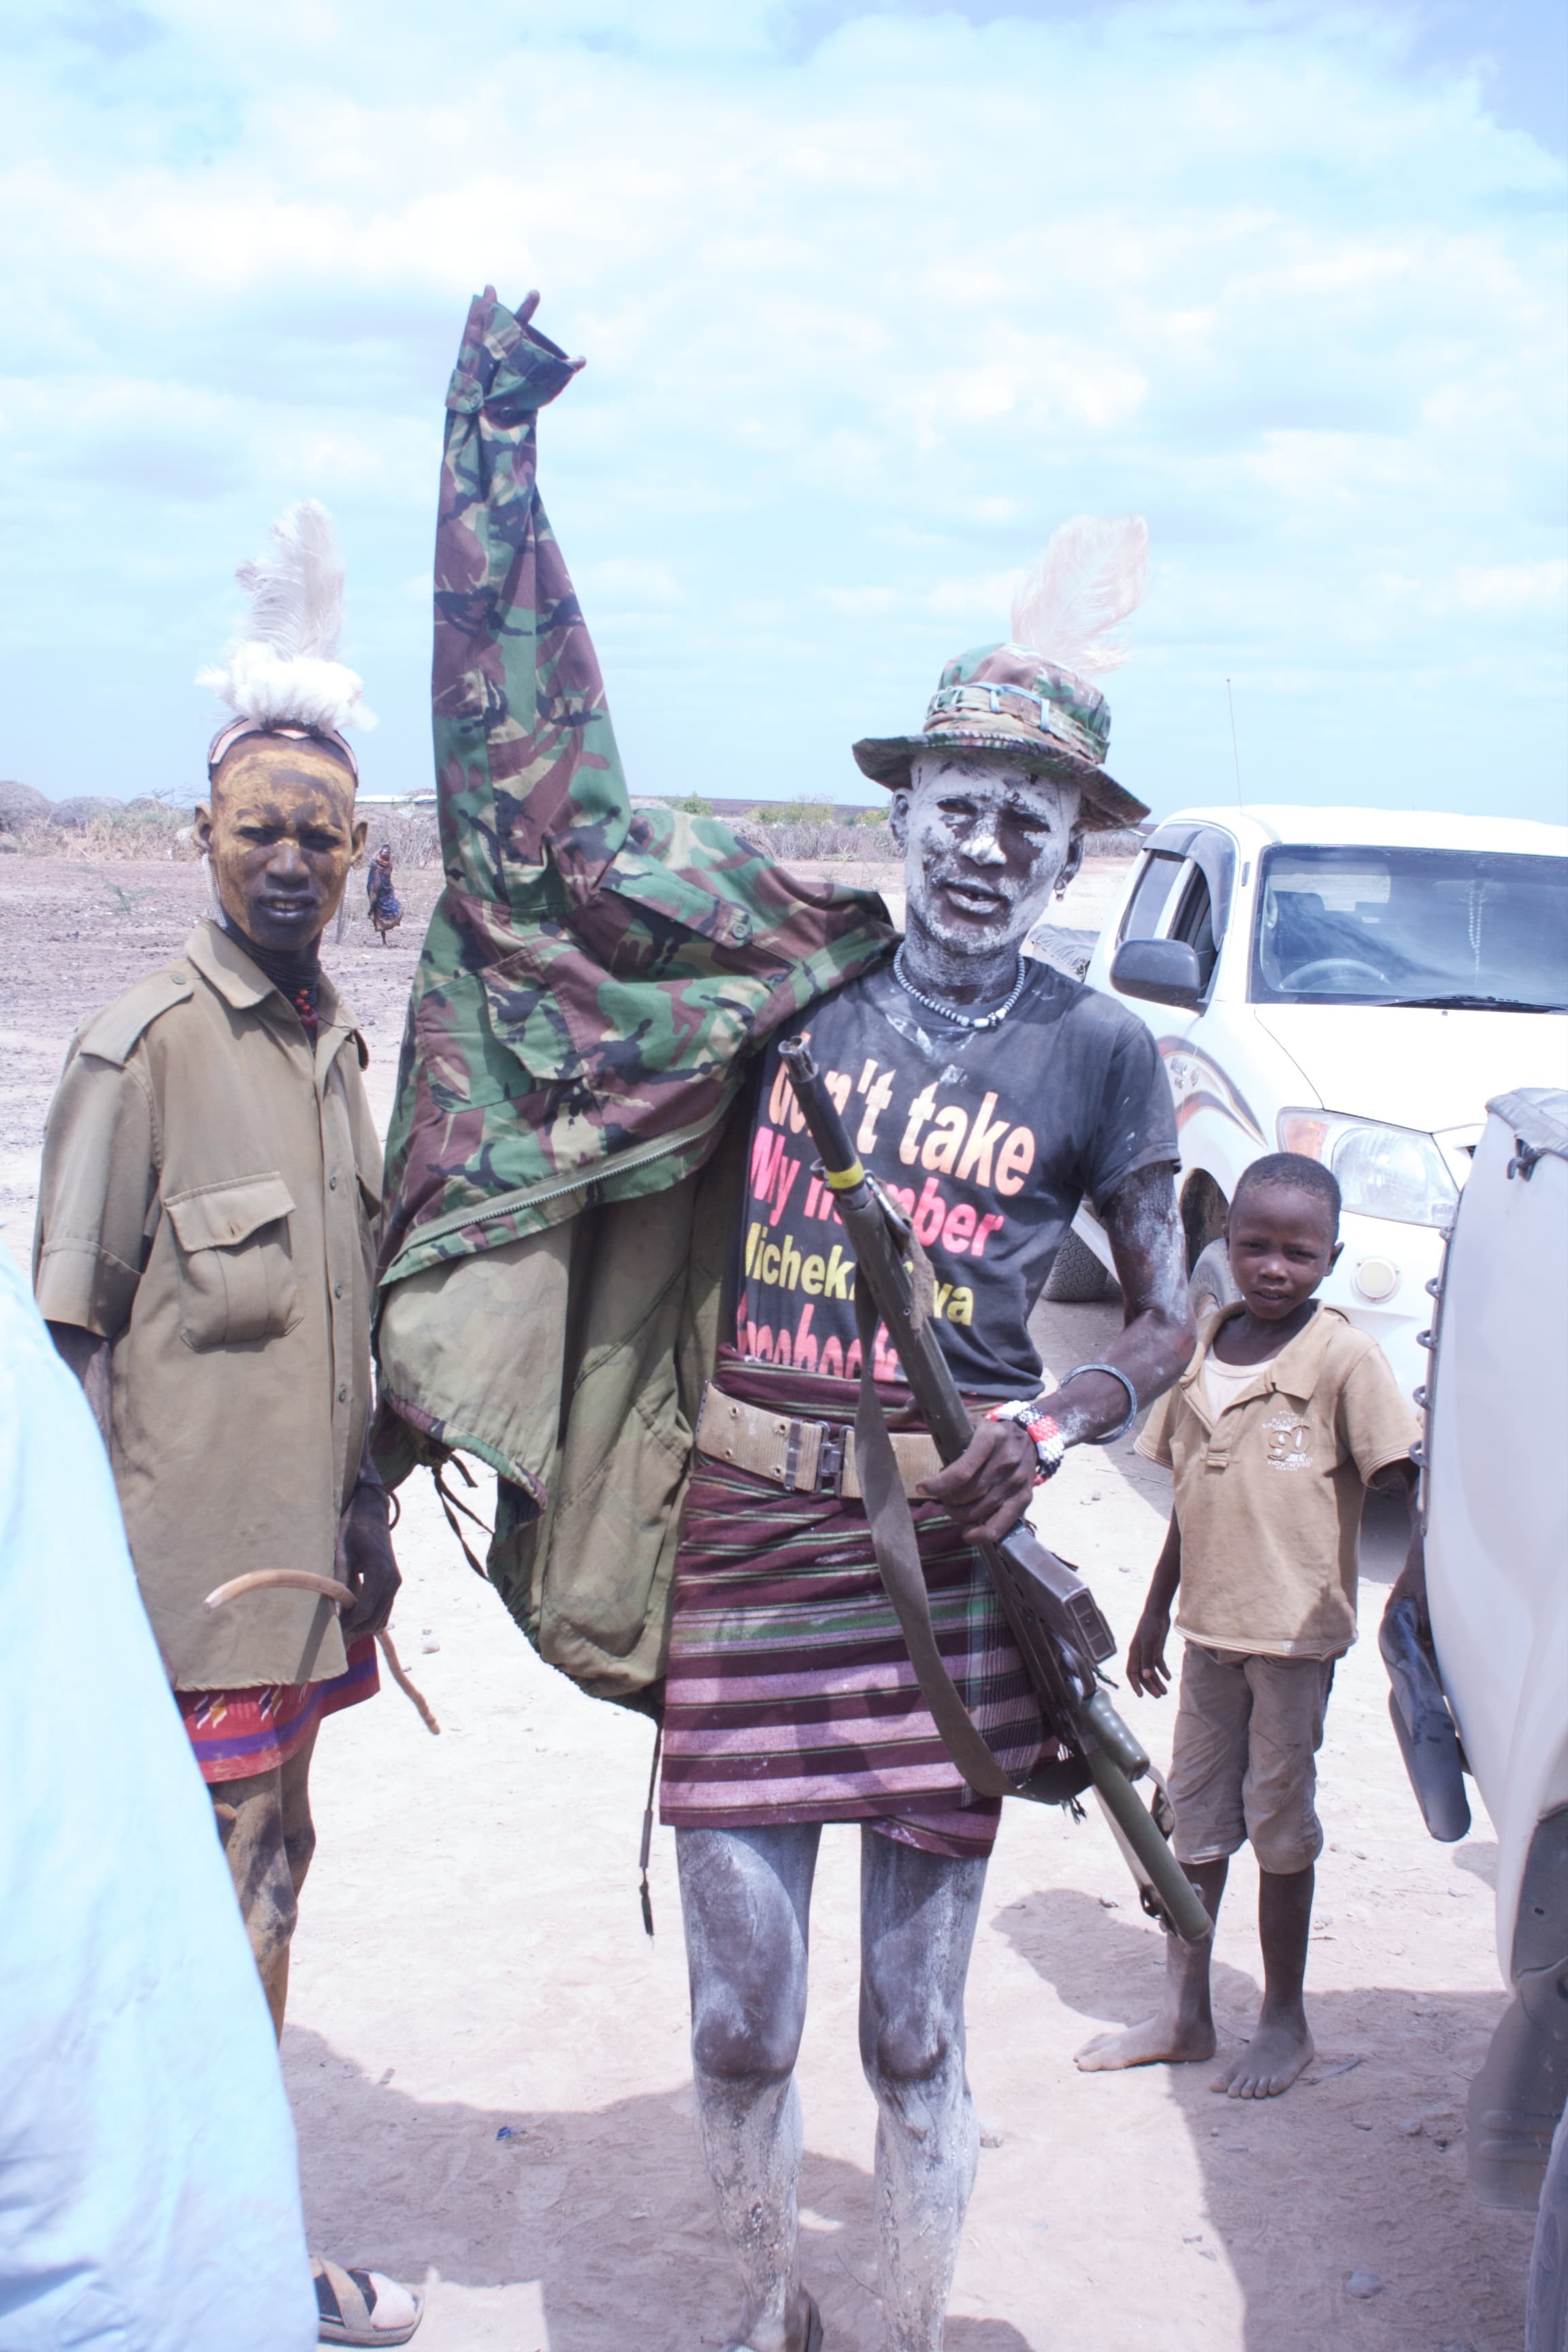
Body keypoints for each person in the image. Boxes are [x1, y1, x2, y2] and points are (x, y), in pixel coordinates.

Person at [372, 291, 1194, 2352]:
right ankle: (754, 2316)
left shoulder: (1106, 1056)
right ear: (906, 809)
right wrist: (496, 454)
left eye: (1037, 812)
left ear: (1076, 846)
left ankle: (900, 2316)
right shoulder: (780, 980)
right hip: (750, 1551)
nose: (992, 839)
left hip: (954, 1556)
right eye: (963, 797)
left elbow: (1174, 1303)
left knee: (913, 2034)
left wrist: (1077, 1402)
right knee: (743, 2022)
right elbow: (543, 838)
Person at [32, 501, 422, 2345]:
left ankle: (237, 2259)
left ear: (360, 858)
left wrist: (370, 1512)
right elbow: (65, 1354)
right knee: (171, 1954)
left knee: (267, 1903)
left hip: (298, 1602)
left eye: (320, 834)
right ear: (201, 838)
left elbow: (337, 1335)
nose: (288, 858)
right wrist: (83, 1622)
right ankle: (198, 2283)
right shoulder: (143, 1053)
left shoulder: (337, 1054)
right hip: (169, 1621)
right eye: (257, 827)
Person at [0, 1245, 318, 2352]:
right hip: (188, 1612)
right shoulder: (138, 1066)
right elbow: (83, 1327)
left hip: (278, 1590)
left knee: (271, 1877)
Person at [1075, 1152, 1420, 2101]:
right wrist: (1152, 1612)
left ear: (1333, 1257)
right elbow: (1191, 1493)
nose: (1275, 1268)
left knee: (1278, 1828)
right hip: (1208, 1634)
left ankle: (1284, 2020)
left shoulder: (1345, 1360)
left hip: (1294, 1643)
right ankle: (1186, 2014)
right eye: (1256, 1246)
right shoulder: (1201, 1345)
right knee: (1192, 1821)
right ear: (1222, 1245)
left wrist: (1419, 1585)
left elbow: (1405, 1475)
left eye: (1300, 1254)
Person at [365, 843, 402, 943]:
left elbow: (386, 876)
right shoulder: (375, 865)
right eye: (385, 852)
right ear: (381, 853)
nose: (387, 854)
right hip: (378, 894)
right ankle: (384, 941)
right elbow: (371, 865)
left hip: (387, 892)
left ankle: (386, 935)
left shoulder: (389, 865)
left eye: (389, 853)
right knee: (379, 916)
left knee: (393, 911)